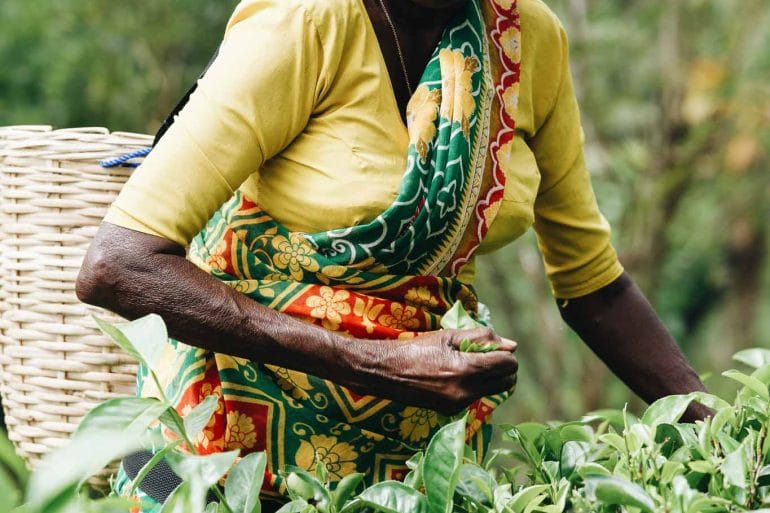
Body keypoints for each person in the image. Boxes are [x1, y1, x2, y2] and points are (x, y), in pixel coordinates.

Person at [76, 0, 710, 510]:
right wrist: (372, 361)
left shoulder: (527, 40)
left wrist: (724, 431)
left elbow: (594, 287)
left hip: (403, 473)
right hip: (222, 453)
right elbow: (119, 265)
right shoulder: (306, 23)